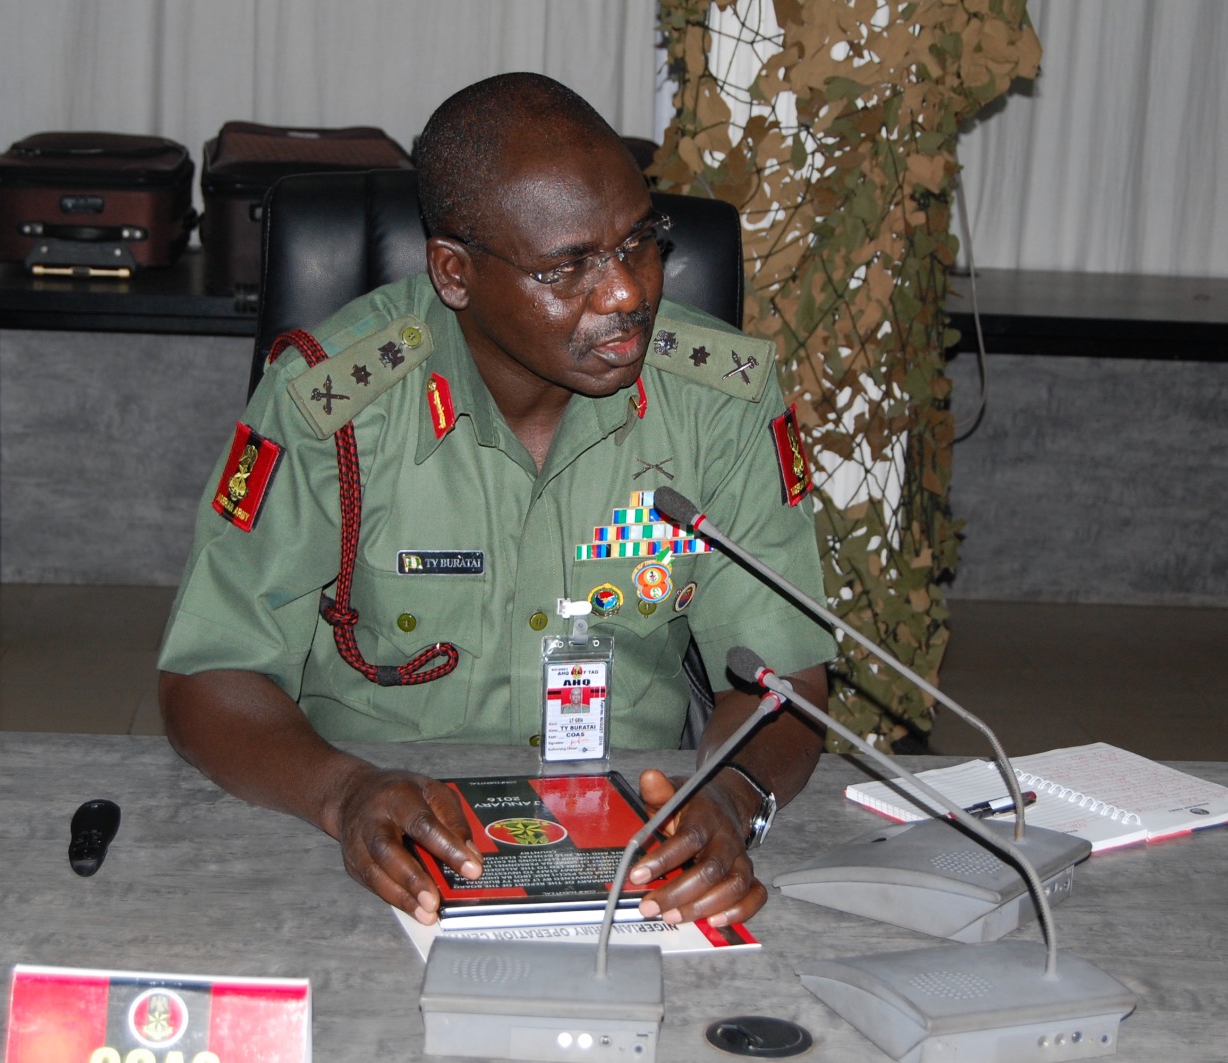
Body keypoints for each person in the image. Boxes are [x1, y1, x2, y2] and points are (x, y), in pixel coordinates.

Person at [157, 72, 836, 930]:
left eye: (638, 242)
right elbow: (207, 674)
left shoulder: (720, 403)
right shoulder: (333, 407)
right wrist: (343, 794)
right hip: (379, 838)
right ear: (454, 273)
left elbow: (782, 678)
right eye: (566, 267)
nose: (625, 291)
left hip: (632, 849)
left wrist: (729, 799)